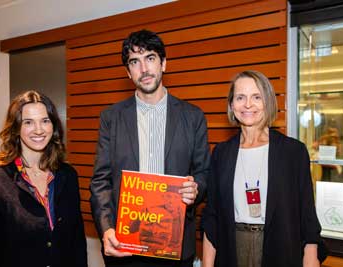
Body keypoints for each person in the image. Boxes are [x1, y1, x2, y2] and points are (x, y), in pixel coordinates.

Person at [90, 29, 210, 267]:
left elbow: (204, 173)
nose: (144, 69)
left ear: (164, 63)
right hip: (126, 247)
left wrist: (195, 189)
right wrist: (106, 228)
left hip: (175, 247)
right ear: (128, 72)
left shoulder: (193, 116)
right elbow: (100, 181)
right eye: (135, 62)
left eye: (150, 58)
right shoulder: (111, 118)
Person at [202, 70, 326, 267]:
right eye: (240, 97)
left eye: (256, 97)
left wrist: (311, 258)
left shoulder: (293, 152)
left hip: (281, 249)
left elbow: (307, 216)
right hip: (231, 250)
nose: (248, 104)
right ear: (231, 105)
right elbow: (212, 218)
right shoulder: (221, 153)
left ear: (267, 102)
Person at [0, 90, 88, 267]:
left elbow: (77, 243)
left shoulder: (67, 176)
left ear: (53, 126)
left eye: (45, 121)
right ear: (16, 128)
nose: (39, 129)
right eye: (28, 122)